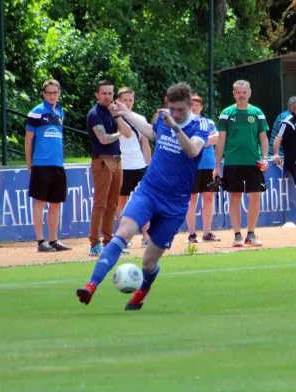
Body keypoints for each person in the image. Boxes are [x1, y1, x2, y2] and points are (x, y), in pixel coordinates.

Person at [76, 82, 209, 310]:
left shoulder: (201, 125)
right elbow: (149, 130)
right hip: (150, 189)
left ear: (190, 107)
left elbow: (193, 151)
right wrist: (125, 113)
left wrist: (176, 128)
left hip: (175, 203)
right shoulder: (163, 118)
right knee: (124, 232)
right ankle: (91, 286)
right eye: (172, 109)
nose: (175, 114)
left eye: (180, 110)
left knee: (149, 262)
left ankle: (143, 290)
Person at [214, 80, 270, 247]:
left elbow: (263, 138)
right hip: (233, 162)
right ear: (234, 94)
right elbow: (221, 139)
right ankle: (237, 235)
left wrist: (265, 157)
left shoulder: (258, 113)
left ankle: (251, 234)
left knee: (255, 197)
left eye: (244, 92)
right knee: (235, 197)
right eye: (238, 92)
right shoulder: (226, 113)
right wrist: (217, 166)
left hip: (254, 162)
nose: (241, 95)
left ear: (250, 93)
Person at [24, 79, 71, 252]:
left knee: (56, 203)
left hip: (58, 164)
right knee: (40, 202)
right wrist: (29, 163)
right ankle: (40, 241)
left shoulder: (60, 112)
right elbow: (28, 140)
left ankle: (53, 240)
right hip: (41, 164)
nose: (52, 95)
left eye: (55, 92)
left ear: (59, 93)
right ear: (44, 94)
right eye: (48, 93)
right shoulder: (36, 112)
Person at [86, 80, 132, 257]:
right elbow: (104, 139)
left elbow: (128, 133)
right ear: (97, 95)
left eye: (110, 94)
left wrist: (118, 116)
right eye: (104, 93)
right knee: (100, 203)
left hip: (117, 160)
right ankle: (94, 243)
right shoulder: (94, 114)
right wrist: (119, 133)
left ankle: (108, 241)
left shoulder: (112, 113)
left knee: (113, 204)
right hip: (103, 161)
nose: (107, 97)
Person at [115, 87, 152, 248]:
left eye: (131, 100)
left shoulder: (139, 119)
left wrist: (149, 165)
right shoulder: (114, 118)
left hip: (139, 165)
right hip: (122, 165)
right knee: (121, 201)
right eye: (125, 100)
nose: (128, 103)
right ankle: (125, 236)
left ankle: (146, 236)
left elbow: (145, 143)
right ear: (118, 101)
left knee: (143, 201)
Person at [186, 93, 221, 243]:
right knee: (192, 198)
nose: (194, 107)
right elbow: (188, 142)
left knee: (208, 197)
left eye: (196, 104)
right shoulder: (185, 123)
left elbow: (217, 138)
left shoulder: (209, 122)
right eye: (191, 104)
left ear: (201, 107)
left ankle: (207, 232)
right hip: (191, 165)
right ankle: (192, 233)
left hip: (208, 164)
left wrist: (201, 140)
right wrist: (206, 139)